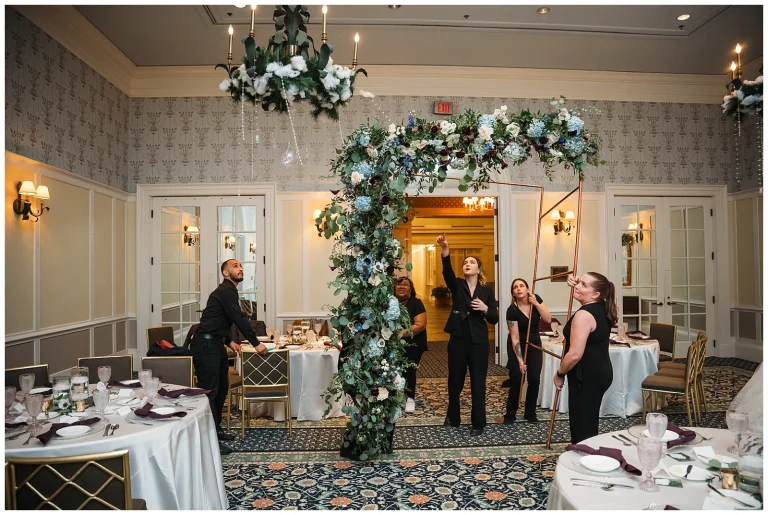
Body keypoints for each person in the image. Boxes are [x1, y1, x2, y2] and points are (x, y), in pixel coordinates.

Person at [193, 258, 268, 455]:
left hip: (215, 343)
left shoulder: (229, 291)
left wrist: (229, 342)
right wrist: (256, 343)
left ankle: (215, 431)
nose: (240, 268)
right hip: (205, 345)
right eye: (235, 266)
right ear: (226, 273)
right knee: (210, 393)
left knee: (222, 390)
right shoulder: (226, 290)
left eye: (240, 266)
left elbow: (218, 321)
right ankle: (208, 439)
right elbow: (237, 319)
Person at [436, 232, 499, 436]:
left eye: (472, 262)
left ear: (479, 269)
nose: (467, 264)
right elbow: (447, 272)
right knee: (455, 380)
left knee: (478, 381)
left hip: (479, 341)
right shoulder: (457, 285)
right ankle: (453, 416)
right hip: (458, 339)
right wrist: (445, 249)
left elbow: (495, 317)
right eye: (465, 262)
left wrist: (484, 308)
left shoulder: (486, 290)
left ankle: (478, 422)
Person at [553, 273, 617, 444]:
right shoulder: (602, 306)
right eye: (578, 282)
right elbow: (585, 289)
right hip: (599, 372)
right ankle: (586, 454)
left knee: (582, 424)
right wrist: (576, 285)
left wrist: (560, 373)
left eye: (583, 284)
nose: (577, 286)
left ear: (595, 294)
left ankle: (585, 459)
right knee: (587, 420)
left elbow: (574, 354)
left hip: (587, 376)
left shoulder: (584, 315)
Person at [504, 278, 551, 424]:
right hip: (518, 345)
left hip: (535, 344)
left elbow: (548, 319)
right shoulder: (511, 310)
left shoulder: (536, 300)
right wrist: (520, 360)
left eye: (521, 286)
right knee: (517, 379)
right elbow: (515, 338)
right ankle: (510, 413)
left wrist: (536, 303)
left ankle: (530, 413)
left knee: (534, 379)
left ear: (528, 289)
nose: (518, 289)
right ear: (513, 293)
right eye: (515, 287)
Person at [395, 276, 428, 414]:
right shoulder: (389, 303)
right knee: (393, 370)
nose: (402, 287)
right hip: (392, 344)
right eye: (399, 285)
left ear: (410, 288)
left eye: (405, 285)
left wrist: (399, 333)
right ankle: (395, 398)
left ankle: (410, 398)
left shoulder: (416, 303)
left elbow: (420, 325)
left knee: (408, 370)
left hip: (413, 344)